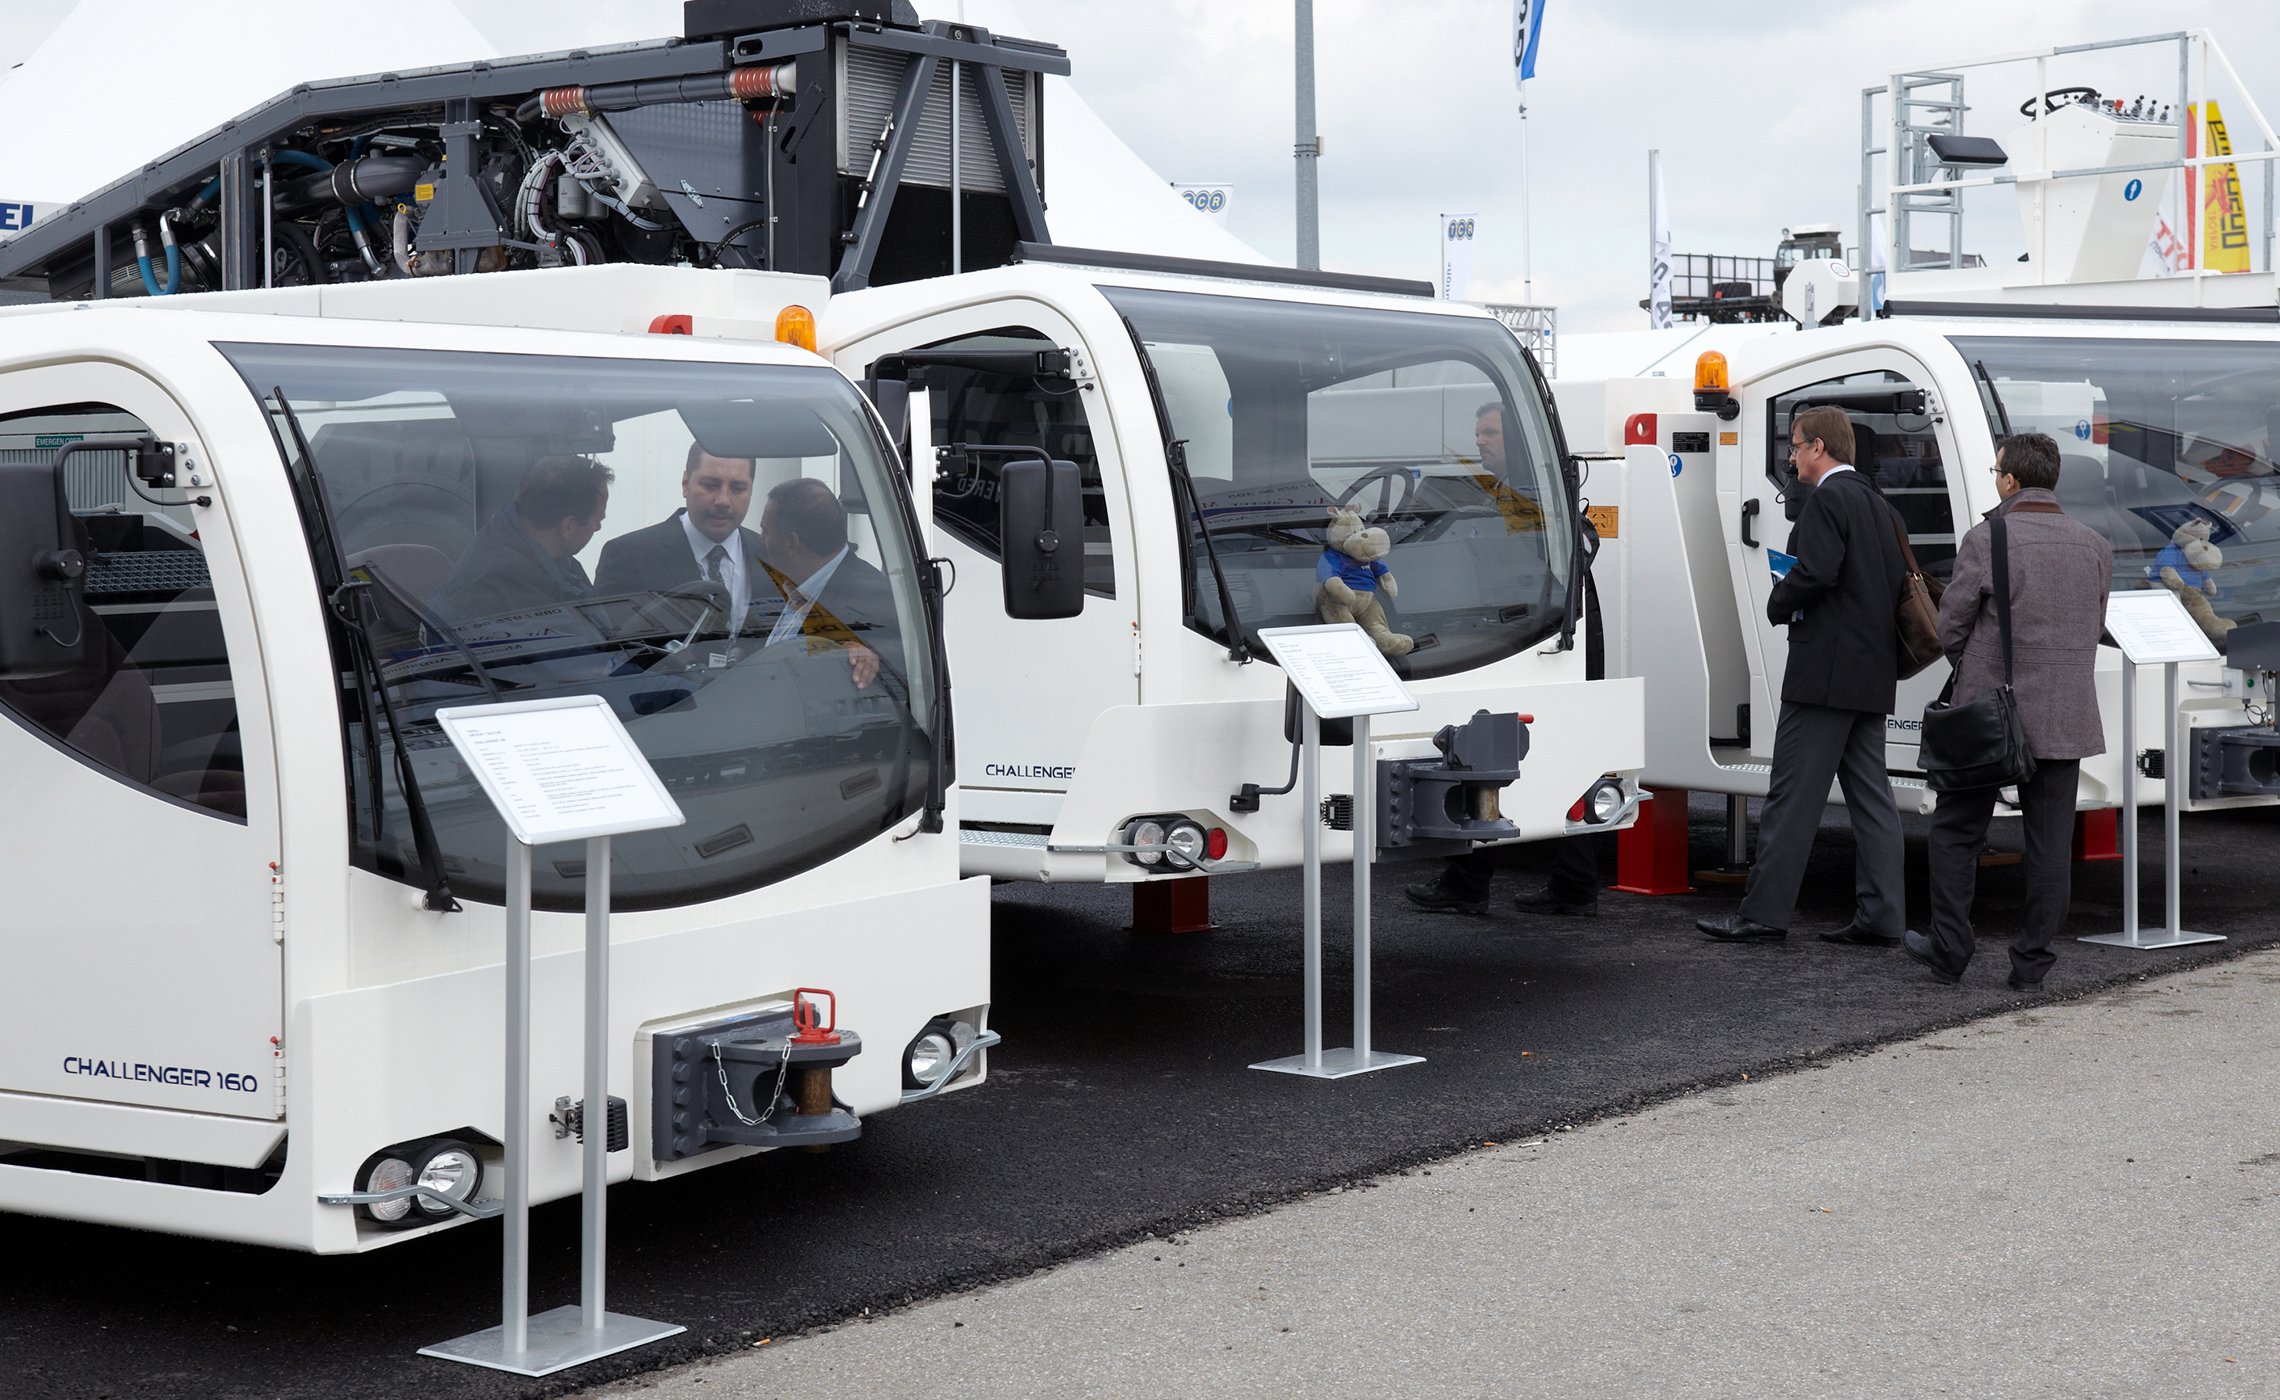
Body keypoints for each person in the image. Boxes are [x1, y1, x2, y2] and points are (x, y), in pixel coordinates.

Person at [1904, 431, 2112, 991]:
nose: (1995, 478)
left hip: (1989, 714)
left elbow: (1951, 627)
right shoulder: (2095, 544)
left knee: (1955, 832)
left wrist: (1977, 670)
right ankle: (2031, 964)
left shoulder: (1988, 537)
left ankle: (1950, 949)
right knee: (2049, 847)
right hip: (2066, 715)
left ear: (2012, 480)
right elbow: (2093, 628)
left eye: (1997, 471)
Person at [1698, 405, 1908, 945]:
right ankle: (1883, 916)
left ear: (1819, 447)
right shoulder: (1878, 503)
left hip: (1824, 674)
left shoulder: (1827, 500)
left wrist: (1777, 599)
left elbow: (1816, 574)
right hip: (1870, 672)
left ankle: (1764, 913)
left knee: (1791, 798)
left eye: (1794, 446)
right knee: (1873, 799)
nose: (1790, 457)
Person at [1406, 408, 1605, 919]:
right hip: (1543, 637)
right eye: (1477, 434)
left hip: (1513, 636)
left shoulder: (1518, 497)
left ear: (1514, 440)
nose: (1482, 442)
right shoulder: (1528, 490)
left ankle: (1469, 882)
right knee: (1561, 759)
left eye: (1490, 433)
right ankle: (1573, 884)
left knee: (1482, 760)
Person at [592, 445, 764, 629]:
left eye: (737, 488)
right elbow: (608, 648)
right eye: (711, 485)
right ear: (685, 484)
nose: (723, 500)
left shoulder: (770, 556)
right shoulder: (629, 556)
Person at [429, 456, 612, 622]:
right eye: (597, 520)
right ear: (568, 526)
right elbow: (574, 656)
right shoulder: (501, 588)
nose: (598, 527)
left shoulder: (555, 561)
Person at [755, 477, 897, 690]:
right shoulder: (789, 585)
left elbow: (896, 668)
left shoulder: (872, 599)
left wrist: (867, 655)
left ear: (791, 543)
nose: (761, 540)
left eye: (766, 531)